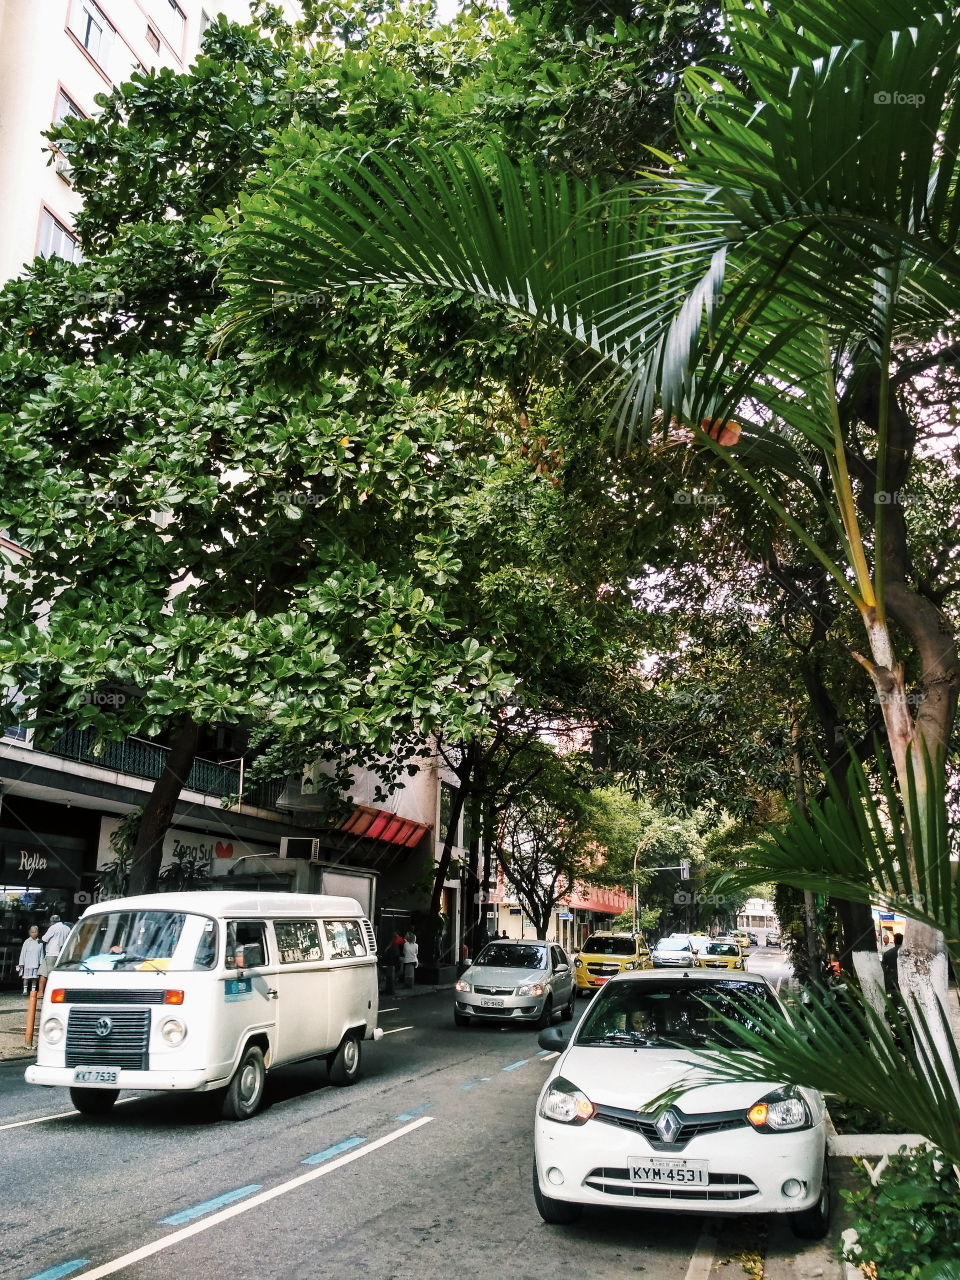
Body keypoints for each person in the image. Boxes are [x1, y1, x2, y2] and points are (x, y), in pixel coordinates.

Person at [17, 925, 43, 995]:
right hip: (27, 963)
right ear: (29, 933)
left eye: (35, 932)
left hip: (35, 962)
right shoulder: (27, 942)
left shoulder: (40, 942)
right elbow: (23, 952)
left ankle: (33, 990)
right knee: (26, 977)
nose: (34, 933)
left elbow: (41, 953)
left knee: (34, 978)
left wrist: (41, 963)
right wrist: (21, 963)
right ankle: (25, 990)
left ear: (38, 932)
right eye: (32, 932)